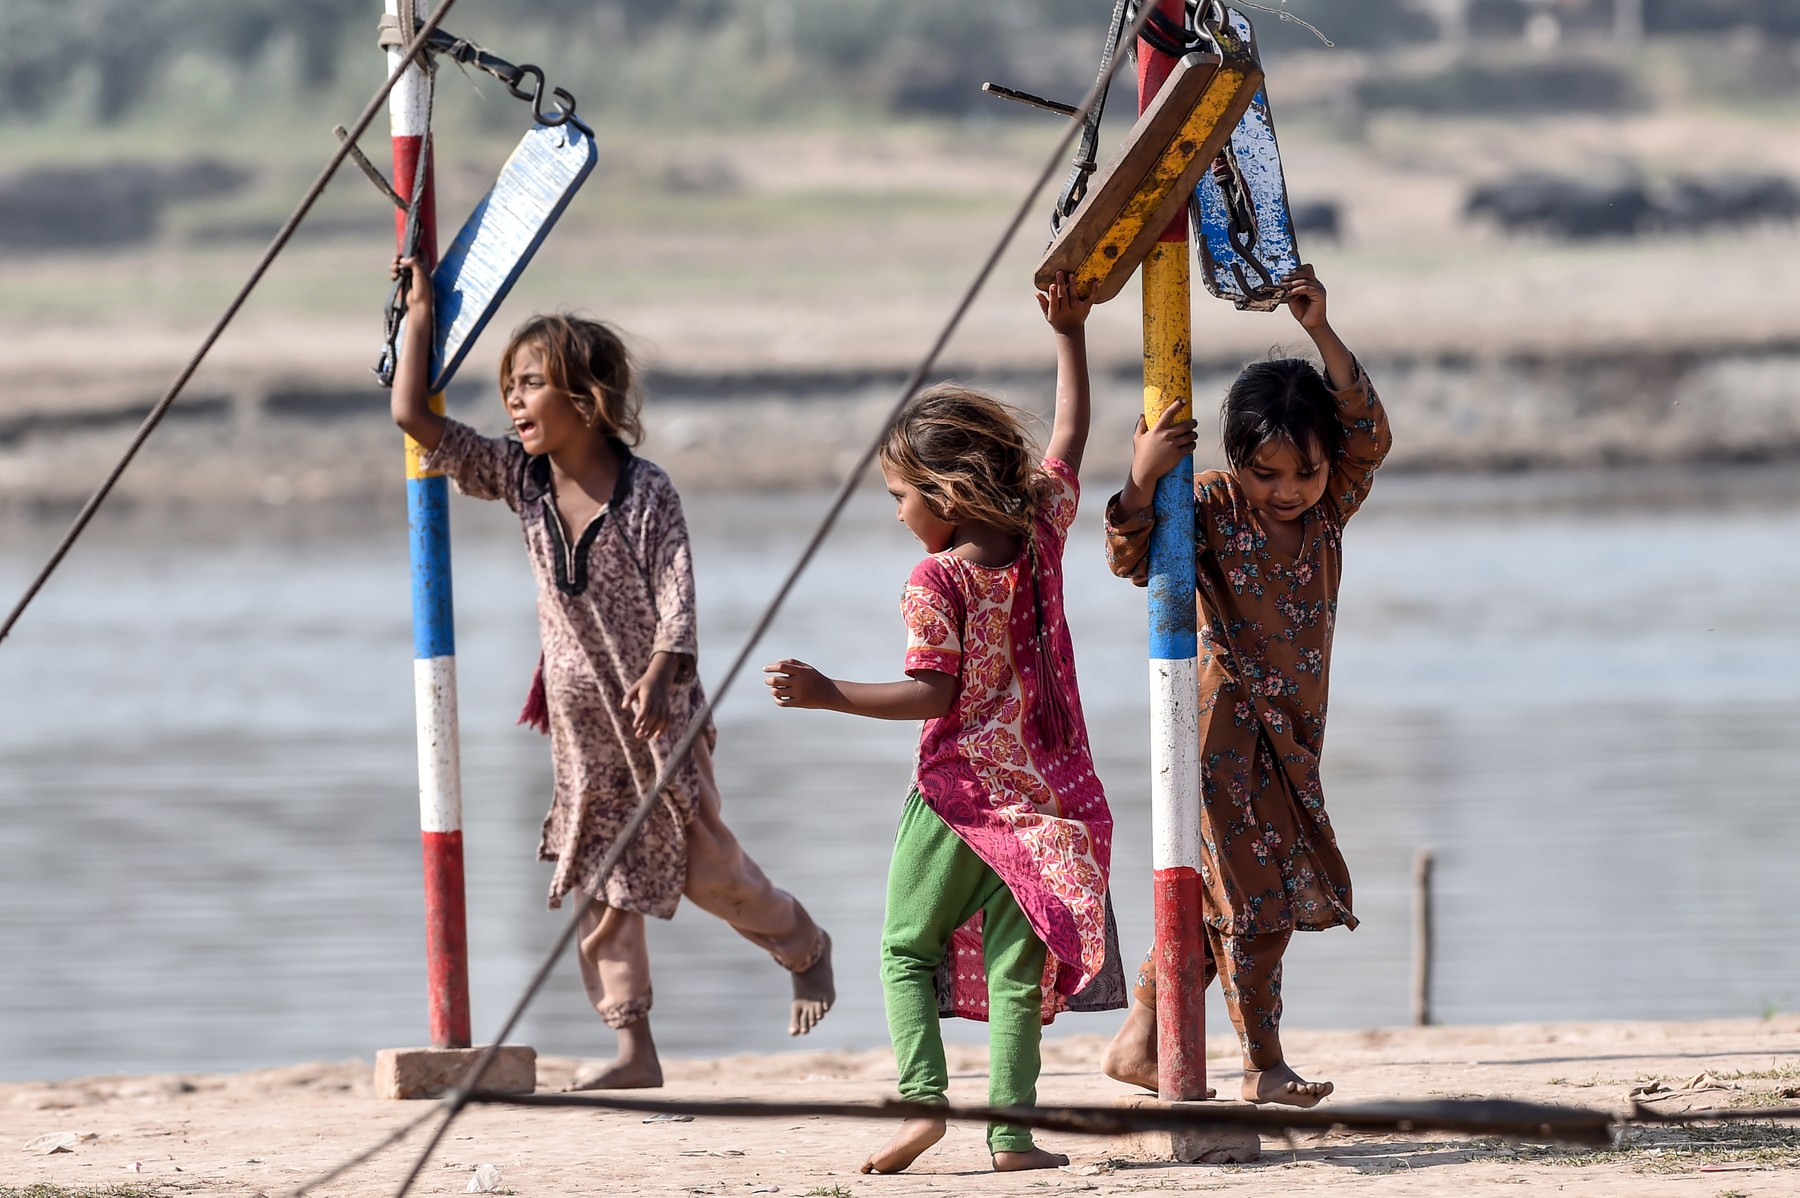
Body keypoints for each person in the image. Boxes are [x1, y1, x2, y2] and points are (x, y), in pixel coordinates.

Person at [388, 257, 834, 1090]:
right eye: (508, 388)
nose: (513, 403)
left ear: (587, 399)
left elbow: (676, 584)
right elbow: (414, 415)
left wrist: (667, 667)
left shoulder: (644, 491)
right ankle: (634, 1048)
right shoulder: (519, 482)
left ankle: (802, 941)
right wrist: (417, 315)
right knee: (601, 877)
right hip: (582, 726)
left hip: (660, 716)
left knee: (704, 871)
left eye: (529, 386)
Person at [763, 274, 1121, 1174]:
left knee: (901, 948)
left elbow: (933, 695)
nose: (897, 515)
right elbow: (1071, 435)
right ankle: (1010, 1135)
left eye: (900, 497)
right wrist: (1070, 333)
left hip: (959, 796)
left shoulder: (937, 583)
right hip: (1041, 801)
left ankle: (923, 1106)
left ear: (947, 495)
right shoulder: (1039, 531)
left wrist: (827, 692)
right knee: (1013, 974)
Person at [1099, 264, 1391, 1108]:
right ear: (1238, 466)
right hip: (1217, 734)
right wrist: (1145, 477)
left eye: (1303, 473)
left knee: (1213, 892)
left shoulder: (1330, 509)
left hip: (1292, 742)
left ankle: (1140, 1042)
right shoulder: (1217, 508)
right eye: (1268, 475)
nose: (1287, 492)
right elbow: (1131, 559)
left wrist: (1321, 332)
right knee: (1256, 903)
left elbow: (1366, 432)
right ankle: (1263, 1063)